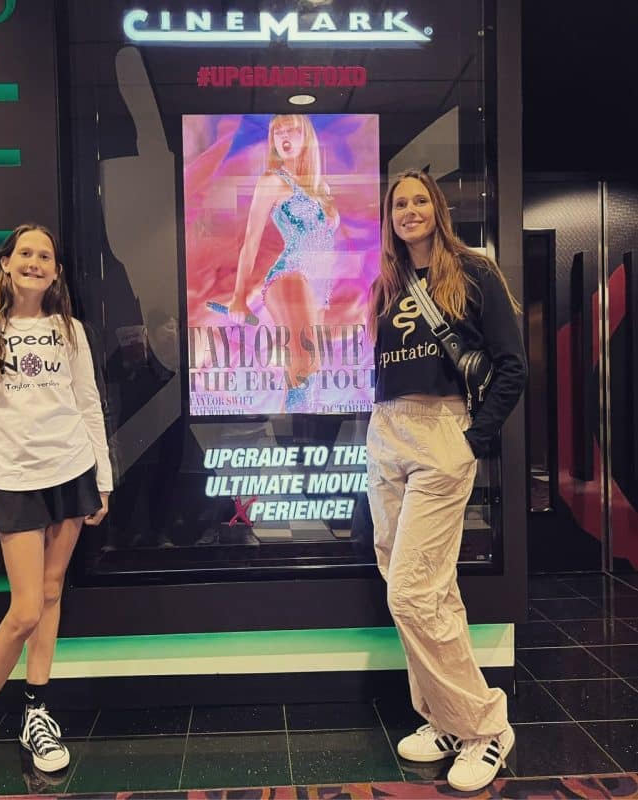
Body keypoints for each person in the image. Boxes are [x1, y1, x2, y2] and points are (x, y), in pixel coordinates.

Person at [0, 224, 113, 789]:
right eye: (26, 253)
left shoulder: (69, 330)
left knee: (53, 592)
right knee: (26, 607)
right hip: (13, 483)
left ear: (55, 271)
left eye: (45, 255)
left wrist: (101, 479)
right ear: (6, 262)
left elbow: (88, 405)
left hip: (71, 473)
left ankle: (37, 710)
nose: (36, 262)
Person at [366, 170, 526, 793]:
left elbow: (512, 364)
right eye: (399, 203)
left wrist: (473, 438)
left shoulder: (474, 271)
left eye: (418, 200)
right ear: (390, 215)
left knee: (410, 592)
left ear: (437, 208)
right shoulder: (386, 282)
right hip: (387, 433)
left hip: (441, 436)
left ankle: (486, 727)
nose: (409, 210)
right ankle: (440, 715)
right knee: (424, 587)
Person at [225, 114, 339, 412]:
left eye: (293, 131)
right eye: (279, 133)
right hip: (290, 275)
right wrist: (238, 298)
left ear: (307, 137)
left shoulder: (322, 189)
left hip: (319, 286)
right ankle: (296, 434)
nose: (285, 138)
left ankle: (298, 437)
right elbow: (251, 241)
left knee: (309, 370)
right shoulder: (272, 182)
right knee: (304, 361)